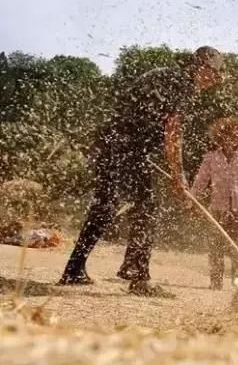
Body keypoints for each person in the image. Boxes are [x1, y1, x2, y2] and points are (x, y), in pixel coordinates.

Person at [57, 46, 225, 295]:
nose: (214, 81)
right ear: (202, 67)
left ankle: (76, 269)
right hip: (126, 148)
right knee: (144, 207)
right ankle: (136, 274)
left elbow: (138, 114)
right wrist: (179, 177)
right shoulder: (183, 85)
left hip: (115, 144)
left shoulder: (167, 76)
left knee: (107, 206)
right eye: (215, 74)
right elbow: (173, 133)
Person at [191, 117, 238, 290]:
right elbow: (200, 182)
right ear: (221, 138)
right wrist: (192, 199)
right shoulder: (211, 159)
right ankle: (215, 283)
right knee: (215, 249)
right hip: (217, 211)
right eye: (227, 136)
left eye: (236, 136)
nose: (231, 139)